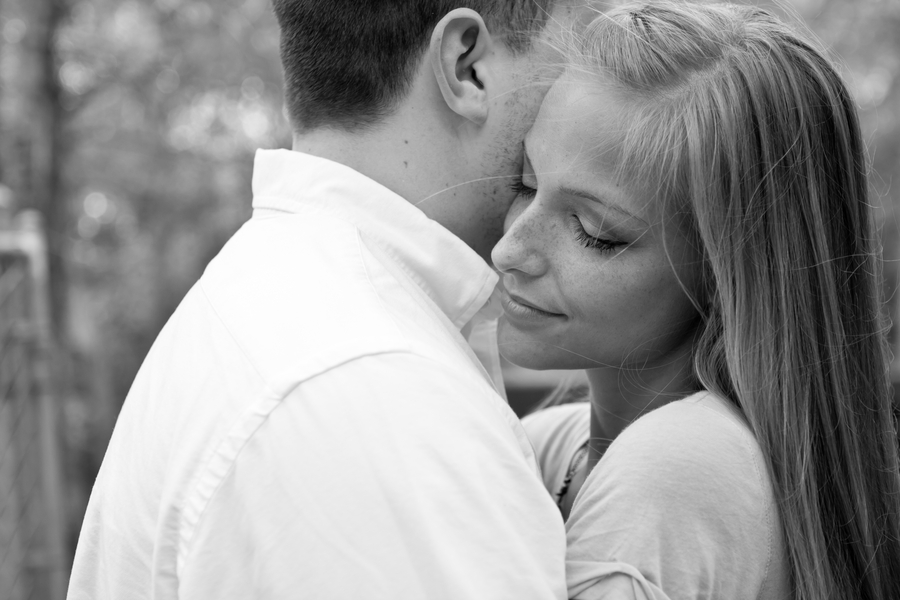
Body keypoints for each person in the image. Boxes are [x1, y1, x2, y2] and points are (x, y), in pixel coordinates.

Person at [67, 1, 590, 598]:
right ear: (466, 64)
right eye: (564, 58)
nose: (572, 95)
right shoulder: (377, 389)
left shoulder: (287, 304)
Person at [493, 2, 900, 599]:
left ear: (728, 275)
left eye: (593, 232)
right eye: (524, 184)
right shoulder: (553, 445)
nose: (510, 249)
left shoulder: (678, 471)